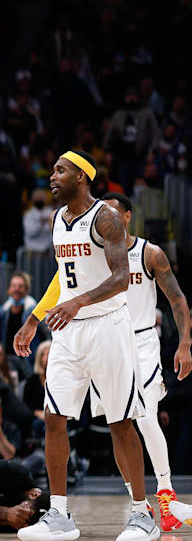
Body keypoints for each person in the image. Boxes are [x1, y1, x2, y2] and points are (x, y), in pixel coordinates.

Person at [13, 151, 159, 541]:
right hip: (68, 330)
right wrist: (33, 319)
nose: (52, 177)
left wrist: (78, 302)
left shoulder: (106, 218)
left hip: (108, 327)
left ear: (81, 176)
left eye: (60, 170)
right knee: (54, 417)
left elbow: (121, 278)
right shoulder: (56, 219)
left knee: (120, 422)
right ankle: (59, 515)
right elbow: (63, 277)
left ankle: (142, 515)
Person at [94, 193, 190, 531]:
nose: (105, 218)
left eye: (111, 211)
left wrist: (185, 343)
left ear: (127, 216)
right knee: (118, 425)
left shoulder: (150, 252)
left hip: (142, 341)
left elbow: (177, 299)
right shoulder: (95, 254)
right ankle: (139, 503)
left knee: (147, 419)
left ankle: (165, 494)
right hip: (106, 340)